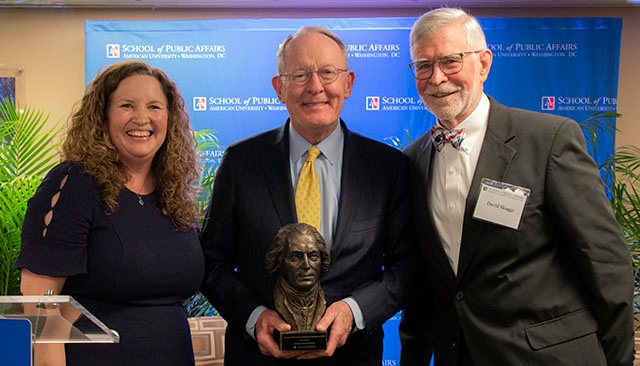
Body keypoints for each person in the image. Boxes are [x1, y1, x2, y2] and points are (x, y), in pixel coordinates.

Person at [399, 7, 635, 366]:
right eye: (423, 65)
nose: (436, 77)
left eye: (450, 61)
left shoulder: (548, 140)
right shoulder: (414, 159)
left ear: (483, 64)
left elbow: (605, 261)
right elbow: (427, 284)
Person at [200, 26, 418, 365]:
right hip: (259, 357)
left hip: (354, 356)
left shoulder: (388, 168)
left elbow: (407, 266)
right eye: (300, 74)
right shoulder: (241, 163)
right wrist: (255, 316)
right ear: (279, 88)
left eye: (328, 72)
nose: (315, 87)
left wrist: (353, 311)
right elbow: (212, 263)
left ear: (348, 83)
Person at [15, 61, 204, 366]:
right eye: (126, 105)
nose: (142, 118)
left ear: (169, 119)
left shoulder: (175, 195)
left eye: (154, 106)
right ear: (102, 116)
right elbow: (40, 303)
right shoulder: (72, 184)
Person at [265, 223, 331, 332]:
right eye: (295, 257)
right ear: (280, 260)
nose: (306, 265)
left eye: (313, 256)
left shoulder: (323, 300)